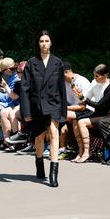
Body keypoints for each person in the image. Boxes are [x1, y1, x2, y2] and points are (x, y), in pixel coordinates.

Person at [20, 30, 67, 187]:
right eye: (41, 41)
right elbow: (24, 89)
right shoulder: (31, 63)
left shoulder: (58, 62)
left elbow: (62, 88)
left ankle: (53, 174)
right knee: (39, 138)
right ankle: (39, 162)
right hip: (36, 106)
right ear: (38, 44)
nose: (44, 44)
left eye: (47, 41)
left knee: (54, 134)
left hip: (54, 104)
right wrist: (25, 112)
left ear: (51, 43)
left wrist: (63, 111)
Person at [71, 64, 110, 163]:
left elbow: (99, 105)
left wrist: (83, 98)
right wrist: (79, 94)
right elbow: (86, 98)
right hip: (98, 113)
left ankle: (87, 153)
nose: (95, 78)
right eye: (94, 75)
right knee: (76, 121)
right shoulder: (95, 83)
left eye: (97, 76)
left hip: (108, 115)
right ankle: (80, 151)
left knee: (82, 122)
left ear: (105, 75)